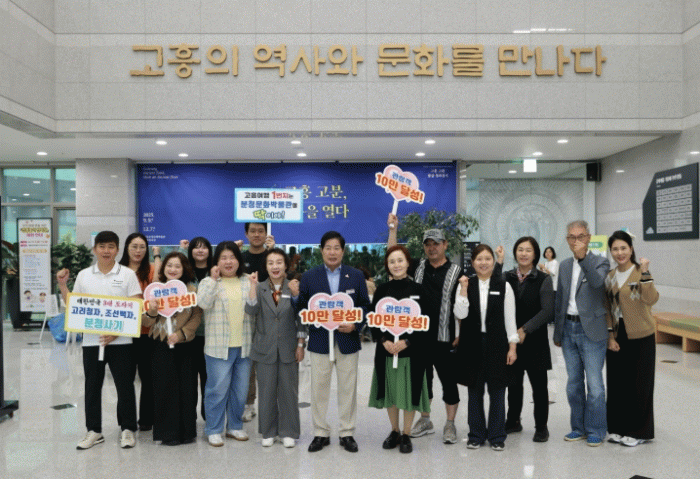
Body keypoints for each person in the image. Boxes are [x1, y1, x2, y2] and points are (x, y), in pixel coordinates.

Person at [56, 231, 142, 450]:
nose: (106, 251)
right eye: (102, 246)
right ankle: (94, 430)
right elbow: (74, 307)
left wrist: (116, 333)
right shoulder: (84, 275)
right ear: (95, 249)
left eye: (111, 246)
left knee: (125, 386)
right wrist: (63, 286)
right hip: (92, 342)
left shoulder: (127, 274)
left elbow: (136, 307)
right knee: (92, 386)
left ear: (117, 250)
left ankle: (128, 429)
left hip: (122, 342)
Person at [387, 214, 462, 444]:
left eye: (436, 244)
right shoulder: (418, 267)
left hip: (445, 338)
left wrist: (460, 334)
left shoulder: (457, 272)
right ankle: (426, 420)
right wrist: (393, 230)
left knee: (449, 383)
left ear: (445, 245)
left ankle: (450, 424)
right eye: (428, 244)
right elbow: (392, 256)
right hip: (418, 339)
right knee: (422, 382)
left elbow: (464, 305)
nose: (432, 248)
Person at [296, 231, 370, 453]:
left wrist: (356, 324)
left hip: (347, 340)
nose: (332, 252)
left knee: (348, 388)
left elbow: (365, 306)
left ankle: (347, 432)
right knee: (319, 388)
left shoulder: (355, 276)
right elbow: (301, 308)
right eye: (328, 248)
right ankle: (321, 432)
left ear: (343, 251)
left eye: (336, 248)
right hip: (319, 340)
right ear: (321, 251)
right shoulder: (309, 277)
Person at [454, 244, 518, 451]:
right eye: (479, 259)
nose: (483, 263)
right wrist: (463, 290)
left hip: (497, 344)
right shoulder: (466, 284)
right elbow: (460, 314)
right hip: (472, 344)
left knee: (497, 391)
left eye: (487, 259)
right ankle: (476, 435)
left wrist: (512, 347)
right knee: (475, 391)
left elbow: (510, 319)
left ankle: (497, 435)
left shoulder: (503, 285)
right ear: (473, 263)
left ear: (493, 261)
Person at [367, 245, 430, 454]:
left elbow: (426, 322)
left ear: (408, 263)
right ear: (387, 265)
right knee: (391, 392)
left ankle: (406, 433)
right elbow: (374, 320)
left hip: (412, 353)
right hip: (386, 351)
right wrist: (384, 340)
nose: (396, 265)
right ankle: (394, 430)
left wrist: (407, 342)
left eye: (400, 260)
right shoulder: (382, 290)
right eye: (392, 261)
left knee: (409, 392)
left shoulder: (419, 290)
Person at [553, 220, 610, 447]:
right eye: (572, 237)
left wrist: (584, 258)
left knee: (594, 385)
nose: (576, 241)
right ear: (567, 240)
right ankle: (578, 427)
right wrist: (558, 332)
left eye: (580, 236)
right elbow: (560, 299)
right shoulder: (565, 265)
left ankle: (596, 429)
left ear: (588, 238)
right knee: (574, 384)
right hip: (569, 329)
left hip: (592, 331)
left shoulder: (600, 262)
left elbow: (597, 283)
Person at [245, 248, 305, 448]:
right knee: (267, 391)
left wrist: (300, 344)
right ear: (266, 267)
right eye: (270, 263)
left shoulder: (294, 286)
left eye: (279, 262)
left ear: (286, 265)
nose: (275, 266)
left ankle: (288, 431)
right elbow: (251, 310)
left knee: (289, 391)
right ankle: (268, 431)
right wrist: (252, 286)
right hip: (264, 348)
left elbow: (302, 318)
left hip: (289, 347)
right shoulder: (260, 287)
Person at [605, 230, 658, 447]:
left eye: (623, 248)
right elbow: (608, 309)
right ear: (611, 251)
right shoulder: (610, 276)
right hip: (617, 335)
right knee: (617, 383)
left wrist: (646, 273)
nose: (620, 253)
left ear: (631, 249)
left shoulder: (639, 272)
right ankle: (617, 428)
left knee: (640, 384)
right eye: (615, 249)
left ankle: (639, 431)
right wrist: (610, 336)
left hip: (641, 334)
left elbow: (651, 299)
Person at [142, 252, 202, 445]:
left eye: (177, 266)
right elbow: (145, 321)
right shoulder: (154, 290)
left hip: (185, 344)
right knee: (164, 388)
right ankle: (168, 433)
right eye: (169, 265)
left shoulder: (191, 290)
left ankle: (187, 432)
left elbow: (196, 317)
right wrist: (151, 311)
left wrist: (181, 334)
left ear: (184, 269)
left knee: (187, 388)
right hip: (159, 344)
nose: (173, 269)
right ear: (163, 268)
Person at [197, 241, 254, 447]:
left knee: (240, 391)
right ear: (216, 261)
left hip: (245, 346)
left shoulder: (248, 281)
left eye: (232, 257)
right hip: (218, 347)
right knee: (217, 390)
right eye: (223, 258)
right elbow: (202, 303)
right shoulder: (208, 281)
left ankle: (235, 426)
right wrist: (213, 280)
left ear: (239, 260)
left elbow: (255, 308)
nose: (228, 262)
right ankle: (213, 429)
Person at [502, 237, 554, 442]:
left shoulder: (543, 279)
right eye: (520, 249)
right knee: (513, 384)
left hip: (535, 341)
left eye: (528, 250)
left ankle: (541, 426)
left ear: (535, 254)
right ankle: (513, 421)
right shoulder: (506, 277)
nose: (523, 254)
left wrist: (525, 329)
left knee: (539, 387)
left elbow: (547, 311)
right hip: (512, 342)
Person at [118, 232, 161, 432]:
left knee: (148, 378)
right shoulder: (117, 271)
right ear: (126, 248)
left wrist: (157, 258)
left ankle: (146, 419)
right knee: (124, 380)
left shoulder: (151, 270)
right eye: (134, 246)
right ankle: (126, 422)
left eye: (142, 247)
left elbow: (158, 291)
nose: (138, 251)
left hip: (147, 332)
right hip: (123, 334)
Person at [240, 222, 275, 423]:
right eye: (252, 231)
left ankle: (270, 406)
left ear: (266, 234)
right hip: (246, 314)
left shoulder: (272, 257)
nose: (256, 234)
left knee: (268, 363)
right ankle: (249, 404)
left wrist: (272, 251)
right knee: (248, 362)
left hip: (269, 316)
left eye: (260, 231)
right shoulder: (240, 258)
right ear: (246, 234)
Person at [181, 236, 214, 420]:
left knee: (209, 378)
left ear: (209, 251)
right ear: (190, 251)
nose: (200, 251)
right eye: (196, 247)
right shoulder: (184, 272)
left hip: (211, 334)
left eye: (204, 247)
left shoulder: (215, 272)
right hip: (189, 334)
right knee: (189, 378)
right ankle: (189, 416)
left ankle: (208, 416)